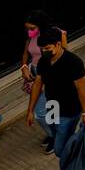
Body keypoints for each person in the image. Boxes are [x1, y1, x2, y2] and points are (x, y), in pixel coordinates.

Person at [26, 36, 85, 170]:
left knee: (59, 148)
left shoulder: (73, 62)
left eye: (48, 48)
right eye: (42, 49)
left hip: (69, 111)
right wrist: (31, 109)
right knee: (57, 136)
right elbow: (38, 83)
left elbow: (81, 90)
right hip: (52, 106)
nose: (44, 52)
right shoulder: (44, 61)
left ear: (58, 44)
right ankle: (77, 158)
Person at [21, 11, 66, 151]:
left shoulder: (56, 34)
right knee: (44, 109)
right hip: (34, 74)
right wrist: (24, 67)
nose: (30, 31)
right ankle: (53, 134)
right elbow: (25, 52)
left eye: (33, 28)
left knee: (41, 113)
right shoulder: (31, 36)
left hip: (51, 76)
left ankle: (56, 136)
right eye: (28, 29)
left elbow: (63, 55)